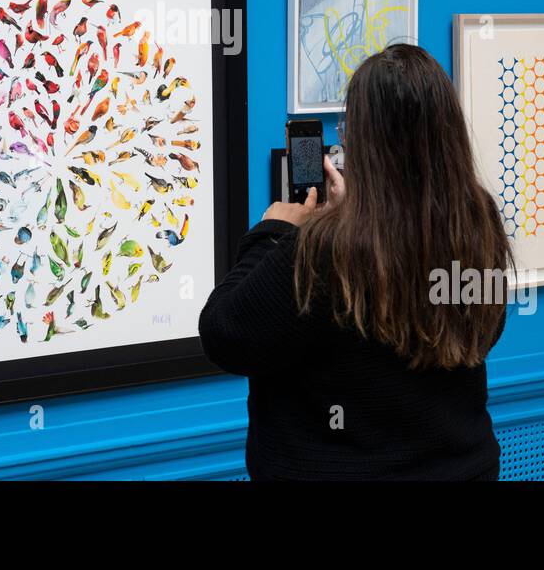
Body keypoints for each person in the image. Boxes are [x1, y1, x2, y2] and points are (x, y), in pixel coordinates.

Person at [198, 44, 513, 481]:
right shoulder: (478, 223)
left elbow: (224, 333)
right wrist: (357, 219)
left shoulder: (322, 250)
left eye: (349, 126)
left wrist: (275, 231)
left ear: (365, 141)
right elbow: (484, 329)